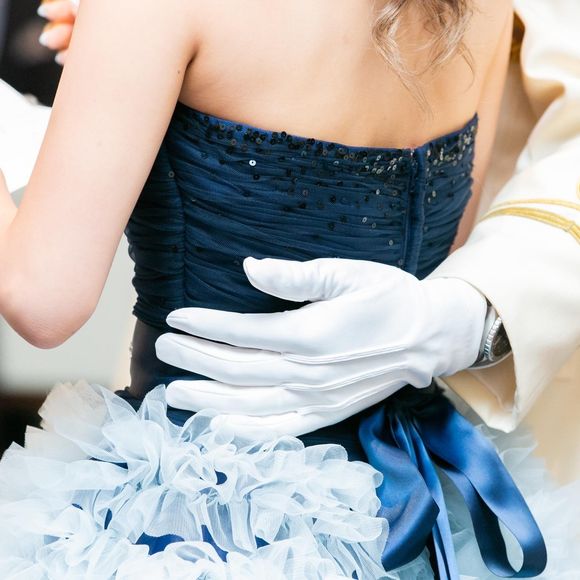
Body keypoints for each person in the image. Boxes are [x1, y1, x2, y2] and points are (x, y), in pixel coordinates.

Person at [0, 0, 577, 578]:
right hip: (409, 499)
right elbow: (451, 248)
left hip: (204, 516)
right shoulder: (482, 9)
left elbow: (43, 301)